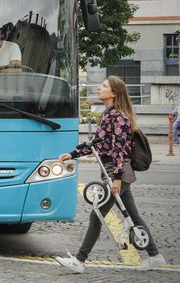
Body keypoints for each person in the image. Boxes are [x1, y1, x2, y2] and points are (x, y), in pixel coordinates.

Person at [54, 76, 166, 273]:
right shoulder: (109, 114)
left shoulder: (119, 117)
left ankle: (79, 261)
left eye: (104, 86)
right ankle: (155, 256)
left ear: (113, 93)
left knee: (96, 215)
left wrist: (116, 178)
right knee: (134, 215)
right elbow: (98, 144)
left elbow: (119, 150)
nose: (99, 87)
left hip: (117, 171)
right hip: (113, 171)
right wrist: (72, 154)